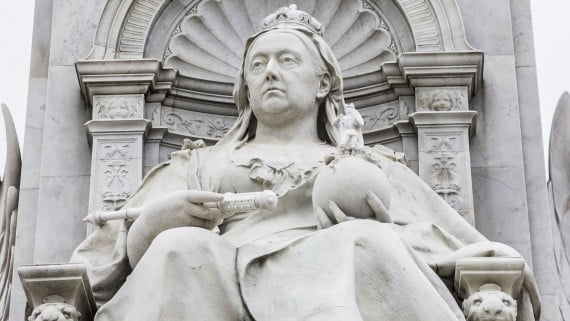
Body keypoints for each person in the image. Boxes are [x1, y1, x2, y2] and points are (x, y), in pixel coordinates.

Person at [72, 5, 540, 321]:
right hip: (216, 275)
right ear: (246, 90)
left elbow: (448, 239)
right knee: (181, 248)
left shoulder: (366, 162)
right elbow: (100, 264)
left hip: (333, 270)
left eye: (286, 60)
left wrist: (387, 226)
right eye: (258, 65)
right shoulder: (199, 162)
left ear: (321, 84)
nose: (270, 71)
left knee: (362, 239)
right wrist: (150, 225)